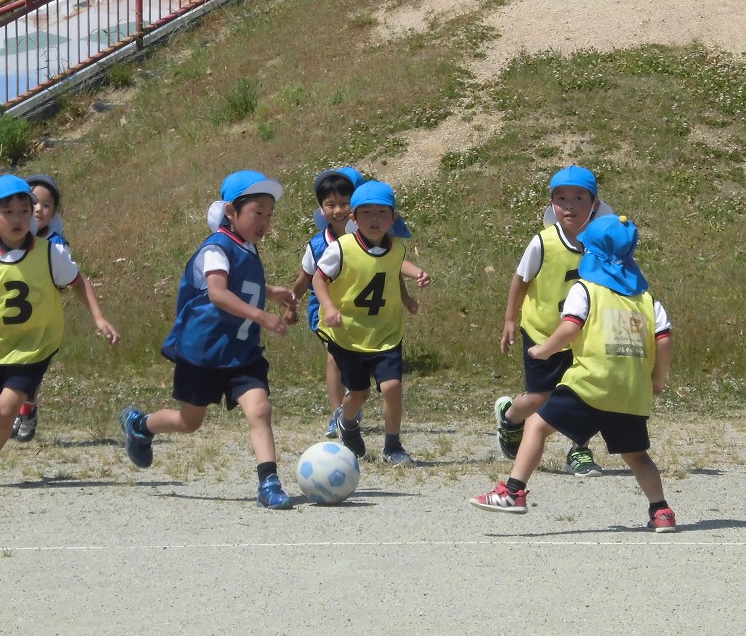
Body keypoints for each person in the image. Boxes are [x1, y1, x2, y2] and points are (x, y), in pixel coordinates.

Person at [470, 213, 675, 529]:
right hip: (632, 394)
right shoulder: (646, 298)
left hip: (592, 384)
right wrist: (657, 379)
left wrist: (543, 349)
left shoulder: (586, 289)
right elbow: (664, 339)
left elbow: (570, 328)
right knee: (637, 456)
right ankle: (661, 511)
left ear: (591, 253)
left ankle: (512, 492)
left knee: (536, 426)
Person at [119, 171, 300, 510]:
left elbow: (241, 285)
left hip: (242, 352)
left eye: (269, 214)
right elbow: (217, 293)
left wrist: (272, 293)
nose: (264, 221)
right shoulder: (216, 248)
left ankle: (269, 482)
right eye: (257, 212)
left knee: (260, 409)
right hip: (204, 351)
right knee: (190, 422)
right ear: (231, 212)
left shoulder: (247, 248)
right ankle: (141, 425)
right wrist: (262, 316)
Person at [0, 174, 121, 489]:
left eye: (24, 211)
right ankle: (2, 428)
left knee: (7, 408)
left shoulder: (50, 253)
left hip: (34, 347)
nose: (18, 218)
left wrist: (99, 318)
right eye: (8, 212)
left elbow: (79, 282)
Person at [287, 166, 430, 438]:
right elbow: (308, 278)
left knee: (365, 383)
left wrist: (407, 296)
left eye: (344, 203)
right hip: (328, 311)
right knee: (333, 358)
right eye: (331, 205)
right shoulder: (321, 245)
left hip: (367, 318)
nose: (338, 210)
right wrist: (291, 303)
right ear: (321, 209)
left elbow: (389, 271)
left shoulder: (386, 243)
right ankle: (337, 414)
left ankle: (353, 407)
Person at [495, 165, 615, 476]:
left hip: (584, 335)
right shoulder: (543, 242)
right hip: (543, 332)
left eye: (579, 198)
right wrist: (510, 318)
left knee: (586, 394)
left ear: (595, 204)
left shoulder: (602, 244)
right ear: (551, 205)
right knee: (540, 397)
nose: (570, 206)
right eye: (561, 199)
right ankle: (510, 418)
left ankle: (579, 450)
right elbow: (521, 280)